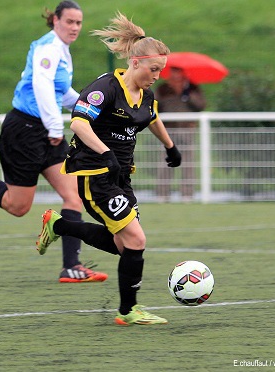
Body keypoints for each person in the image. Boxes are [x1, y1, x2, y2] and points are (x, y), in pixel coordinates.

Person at [0, 1, 108, 283]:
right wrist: (54, 127)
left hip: (45, 131)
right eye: (70, 22)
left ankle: (71, 266)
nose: (75, 27)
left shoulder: (62, 51)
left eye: (79, 23)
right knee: (18, 206)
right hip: (23, 131)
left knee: (73, 195)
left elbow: (61, 94)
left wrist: (92, 109)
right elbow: (41, 86)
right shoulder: (47, 48)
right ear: (55, 21)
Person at [35, 12, 181, 325]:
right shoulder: (106, 88)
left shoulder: (146, 95)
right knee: (136, 240)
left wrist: (170, 146)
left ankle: (59, 226)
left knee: (123, 245)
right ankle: (128, 312)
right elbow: (78, 122)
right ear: (136, 62)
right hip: (94, 172)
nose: (156, 76)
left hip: (120, 175)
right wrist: (105, 153)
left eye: (161, 71)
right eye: (153, 69)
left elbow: (151, 118)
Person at [154, 67, 206, 202]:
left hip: (187, 129)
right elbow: (155, 105)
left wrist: (186, 93)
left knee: (188, 163)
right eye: (173, 73)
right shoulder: (163, 89)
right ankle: (163, 194)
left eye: (179, 73)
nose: (176, 76)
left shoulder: (192, 88)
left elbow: (201, 105)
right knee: (166, 162)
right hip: (167, 129)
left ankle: (187, 195)